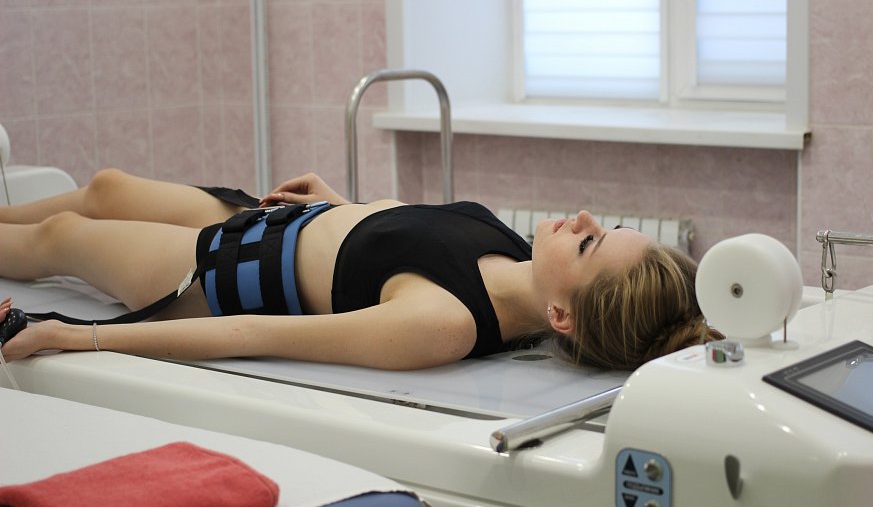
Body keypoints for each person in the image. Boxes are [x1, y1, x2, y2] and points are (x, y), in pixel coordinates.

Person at [0, 168, 721, 370]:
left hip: (228, 271)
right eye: (606, 227)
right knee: (107, 188)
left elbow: (252, 335)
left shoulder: (443, 323)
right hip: (272, 220)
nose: (585, 219)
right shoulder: (510, 246)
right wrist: (344, 208)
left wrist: (75, 336)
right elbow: (404, 243)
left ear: (560, 316)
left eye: (590, 246)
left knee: (64, 235)